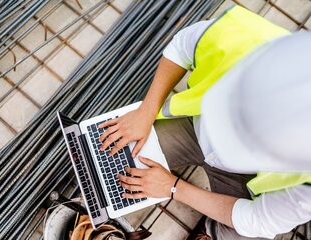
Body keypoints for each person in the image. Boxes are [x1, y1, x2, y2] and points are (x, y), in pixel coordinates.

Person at [98, 5, 311, 239]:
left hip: (248, 179)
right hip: (194, 127)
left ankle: (211, 231)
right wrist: (146, 112)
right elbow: (182, 47)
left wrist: (173, 187)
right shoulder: (247, 37)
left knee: (243, 236)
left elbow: (259, 220)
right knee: (114, 155)